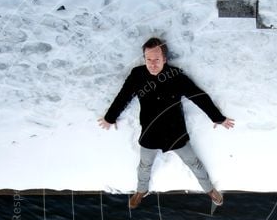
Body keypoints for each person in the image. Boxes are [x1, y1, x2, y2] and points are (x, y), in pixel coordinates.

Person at [98, 38, 235, 209]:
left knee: (193, 163)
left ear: (164, 59)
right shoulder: (137, 75)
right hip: (150, 132)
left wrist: (217, 118)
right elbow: (123, 96)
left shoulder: (176, 76)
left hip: (175, 132)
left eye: (156, 59)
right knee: (144, 165)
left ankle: (209, 190)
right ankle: (141, 191)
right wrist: (110, 117)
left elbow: (197, 96)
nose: (152, 64)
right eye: (148, 59)